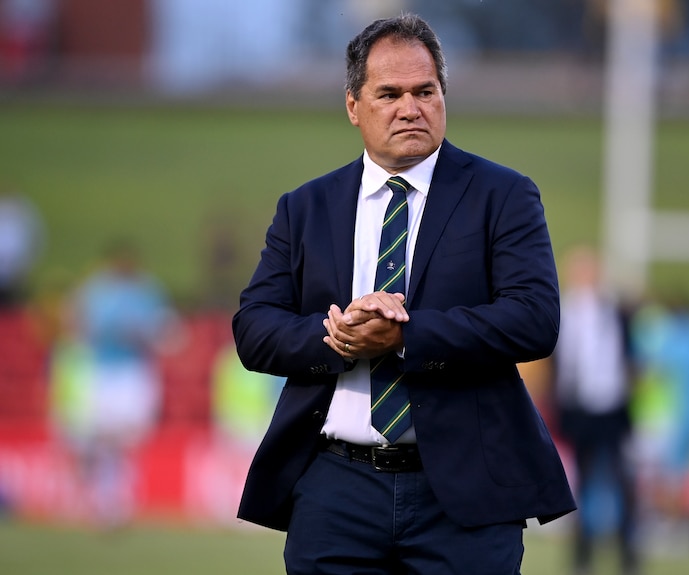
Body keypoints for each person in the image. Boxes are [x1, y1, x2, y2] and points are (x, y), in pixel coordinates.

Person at [232, 13, 575, 575]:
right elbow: (254, 329)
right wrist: (341, 337)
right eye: (388, 93)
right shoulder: (306, 207)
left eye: (425, 91)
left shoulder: (503, 195)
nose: (409, 108)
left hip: (465, 493)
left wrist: (405, 337)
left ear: (444, 95)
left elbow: (534, 319)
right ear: (353, 106)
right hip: (334, 487)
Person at [55, 238, 178, 527]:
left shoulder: (146, 290)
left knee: (126, 438)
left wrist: (145, 333)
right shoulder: (95, 290)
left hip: (133, 370)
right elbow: (76, 324)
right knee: (103, 438)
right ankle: (107, 501)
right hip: (103, 370)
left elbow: (164, 331)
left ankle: (113, 499)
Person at [551, 246, 640, 575]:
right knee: (581, 485)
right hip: (579, 409)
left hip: (613, 408)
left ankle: (628, 554)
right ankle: (582, 555)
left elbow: (629, 357)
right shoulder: (564, 310)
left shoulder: (615, 309)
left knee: (623, 482)